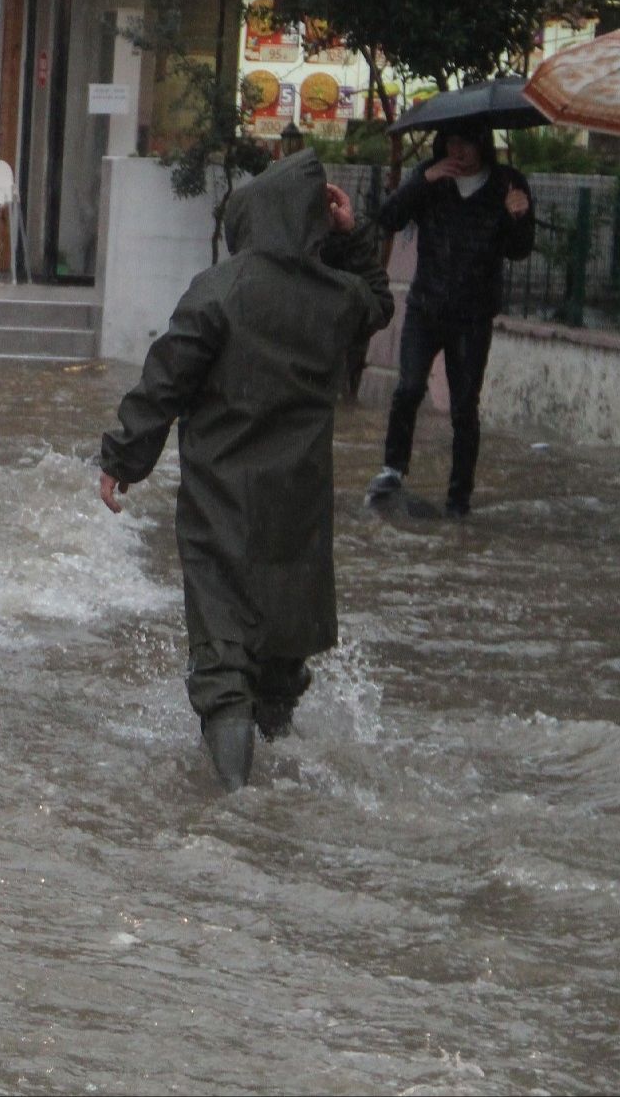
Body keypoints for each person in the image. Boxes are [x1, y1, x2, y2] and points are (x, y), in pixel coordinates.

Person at [97, 151, 393, 791]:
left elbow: (166, 379)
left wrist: (123, 458)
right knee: (282, 656)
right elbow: (378, 301)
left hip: (222, 501)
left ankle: (235, 803)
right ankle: (279, 780)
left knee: (224, 657)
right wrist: (355, 236)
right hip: (299, 504)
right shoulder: (334, 298)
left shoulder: (220, 290)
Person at [366, 119, 535, 517]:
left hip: (473, 316)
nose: (458, 153)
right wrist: (424, 180)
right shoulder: (430, 179)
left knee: (463, 407)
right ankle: (392, 469)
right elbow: (388, 218)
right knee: (408, 388)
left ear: (483, 146)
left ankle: (459, 497)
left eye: (467, 144)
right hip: (426, 307)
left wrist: (519, 216)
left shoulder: (507, 183)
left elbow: (519, 250)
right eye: (452, 143)